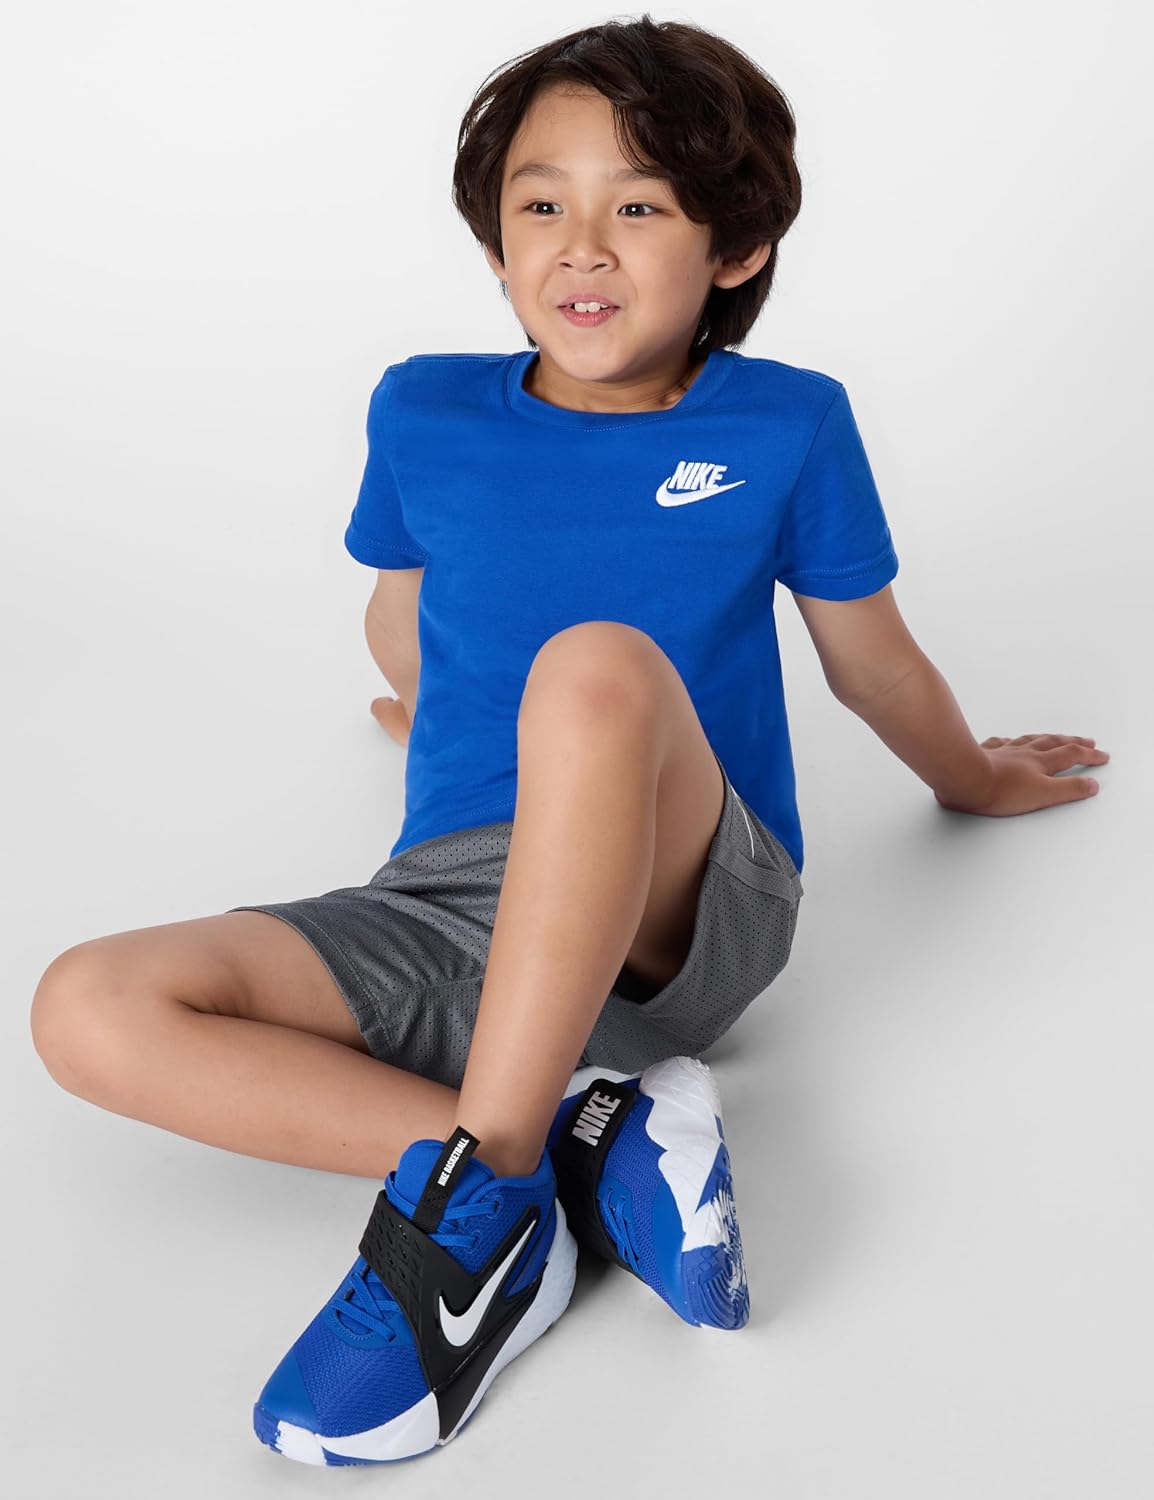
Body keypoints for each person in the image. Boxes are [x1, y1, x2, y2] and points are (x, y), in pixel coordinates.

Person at [29, 14, 1109, 1470]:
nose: (581, 248)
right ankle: (578, 1153)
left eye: (639, 209)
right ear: (494, 243)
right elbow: (400, 619)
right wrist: (434, 715)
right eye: (541, 206)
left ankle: (463, 1238)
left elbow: (872, 664)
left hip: (682, 906)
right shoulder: (421, 408)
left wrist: (972, 776)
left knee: (593, 667)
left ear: (734, 250)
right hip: (446, 902)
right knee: (87, 1004)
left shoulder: (787, 424)